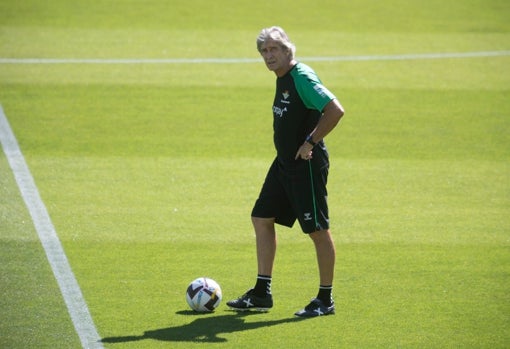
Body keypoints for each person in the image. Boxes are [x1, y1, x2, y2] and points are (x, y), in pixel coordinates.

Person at [227, 26, 345, 317]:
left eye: (274, 49)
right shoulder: (282, 78)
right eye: (264, 51)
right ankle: (261, 292)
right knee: (261, 217)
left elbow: (335, 109)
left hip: (304, 166)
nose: (269, 56)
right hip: (283, 164)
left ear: (287, 50)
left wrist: (310, 142)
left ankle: (325, 300)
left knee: (317, 230)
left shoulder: (301, 77)